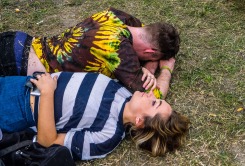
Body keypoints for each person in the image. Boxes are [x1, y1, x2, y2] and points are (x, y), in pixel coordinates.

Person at [0, 71, 190, 160]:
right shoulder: (125, 94)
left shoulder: (107, 136)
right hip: (19, 82)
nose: (151, 94)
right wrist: (165, 67)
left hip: (17, 108)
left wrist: (47, 92)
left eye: (154, 102)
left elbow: (47, 141)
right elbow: (158, 92)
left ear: (139, 121)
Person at [0, 7, 180, 99]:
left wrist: (148, 65)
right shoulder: (117, 50)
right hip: (14, 63)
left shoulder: (117, 16)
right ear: (151, 51)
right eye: (152, 57)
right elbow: (152, 97)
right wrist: (165, 70)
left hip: (17, 41)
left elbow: (145, 39)